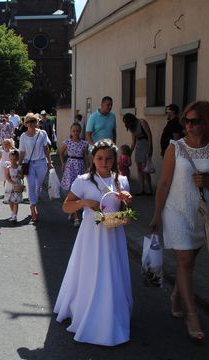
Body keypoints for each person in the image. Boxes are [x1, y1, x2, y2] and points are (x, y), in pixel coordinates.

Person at [149, 100, 209, 342]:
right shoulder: (176, 147)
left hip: (202, 213)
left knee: (190, 261)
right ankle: (192, 316)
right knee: (184, 260)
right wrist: (156, 215)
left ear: (208, 123)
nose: (189, 126)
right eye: (186, 121)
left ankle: (176, 294)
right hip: (176, 210)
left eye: (195, 121)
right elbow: (163, 183)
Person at [54, 139, 133, 346]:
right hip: (91, 236)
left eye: (108, 158)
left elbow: (125, 212)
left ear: (114, 159)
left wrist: (127, 200)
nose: (104, 162)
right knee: (91, 271)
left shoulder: (121, 180)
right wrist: (83, 203)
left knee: (112, 272)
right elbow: (66, 206)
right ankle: (85, 309)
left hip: (114, 235)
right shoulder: (83, 180)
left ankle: (112, 313)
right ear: (92, 158)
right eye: (99, 158)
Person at [18, 112, 53, 223]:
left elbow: (46, 148)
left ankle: (34, 200)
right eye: (28, 122)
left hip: (41, 163)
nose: (31, 124)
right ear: (25, 124)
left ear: (36, 122)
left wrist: (49, 161)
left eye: (33, 121)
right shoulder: (23, 136)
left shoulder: (42, 133)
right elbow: (22, 152)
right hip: (29, 163)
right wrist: (18, 165)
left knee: (38, 186)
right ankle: (33, 207)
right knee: (31, 185)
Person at [59, 122, 88, 227]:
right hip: (70, 166)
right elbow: (61, 153)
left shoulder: (84, 143)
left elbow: (85, 157)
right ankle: (76, 216)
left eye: (77, 131)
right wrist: (62, 163)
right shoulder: (67, 142)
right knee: (72, 189)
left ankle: (72, 210)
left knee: (79, 190)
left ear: (80, 131)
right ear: (71, 131)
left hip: (80, 166)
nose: (75, 133)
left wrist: (88, 168)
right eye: (74, 131)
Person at [123, 113, 154, 195]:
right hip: (139, 146)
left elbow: (149, 135)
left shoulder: (142, 122)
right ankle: (142, 188)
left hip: (146, 145)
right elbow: (133, 141)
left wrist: (150, 148)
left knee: (145, 169)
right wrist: (129, 152)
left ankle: (149, 188)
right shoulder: (132, 127)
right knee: (139, 168)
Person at [3, 149, 24, 223]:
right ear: (9, 159)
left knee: (15, 201)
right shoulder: (8, 168)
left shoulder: (19, 167)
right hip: (9, 185)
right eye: (11, 159)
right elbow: (7, 177)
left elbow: (22, 176)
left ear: (17, 159)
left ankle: (15, 216)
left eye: (14, 159)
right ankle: (13, 212)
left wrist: (20, 175)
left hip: (17, 186)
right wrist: (13, 183)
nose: (13, 161)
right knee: (10, 201)